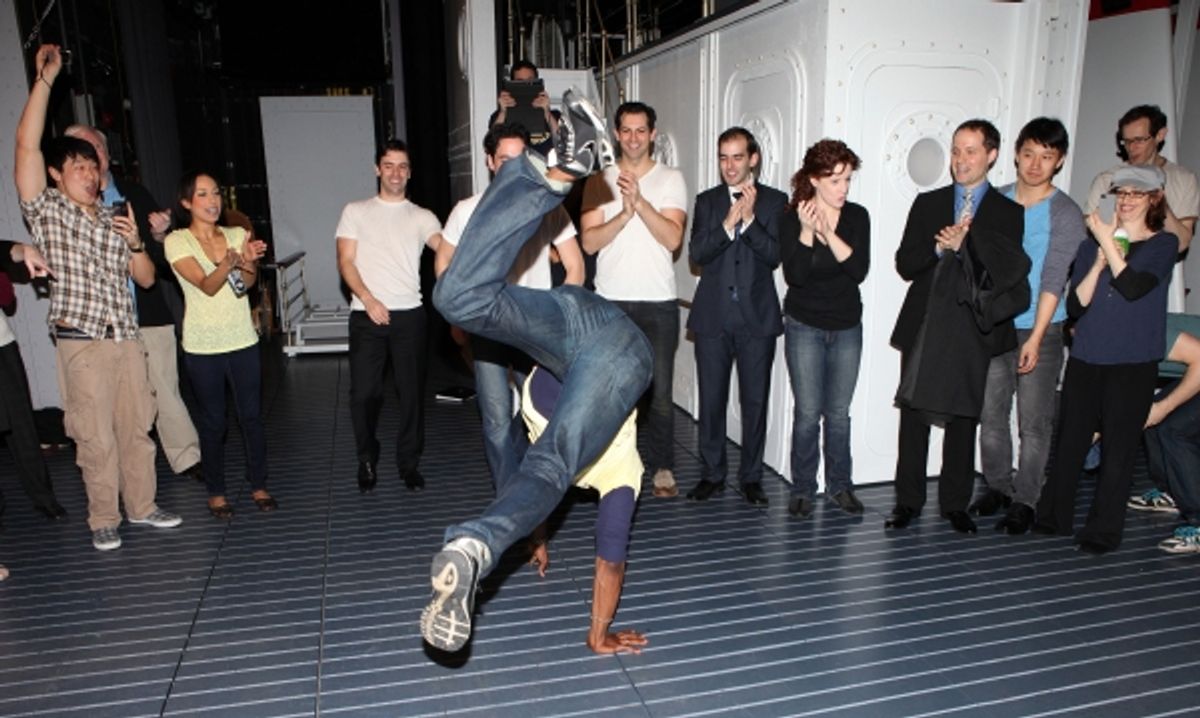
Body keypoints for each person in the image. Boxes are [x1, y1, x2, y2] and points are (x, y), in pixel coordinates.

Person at [420, 90, 651, 654]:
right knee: (453, 300)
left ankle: (475, 547)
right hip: (600, 335)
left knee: (462, 301)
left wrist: (528, 532)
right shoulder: (623, 478)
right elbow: (609, 558)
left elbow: (542, 490)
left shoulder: (603, 472)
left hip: (581, 333)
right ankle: (565, 167)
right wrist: (599, 636)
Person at [16, 44, 182, 551]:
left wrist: (135, 241)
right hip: (82, 342)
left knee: (137, 428)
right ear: (56, 175)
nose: (89, 175)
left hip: (126, 339)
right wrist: (46, 81)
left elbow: (149, 280)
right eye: (77, 168)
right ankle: (103, 517)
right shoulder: (49, 213)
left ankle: (142, 506)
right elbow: (26, 147)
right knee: (95, 436)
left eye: (93, 168)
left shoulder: (114, 221)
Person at [887, 119, 1029, 535]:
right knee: (912, 415)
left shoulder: (1008, 213)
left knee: (966, 419)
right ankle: (907, 503)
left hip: (974, 327)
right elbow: (905, 263)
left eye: (970, 151)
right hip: (925, 323)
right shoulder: (928, 203)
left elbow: (1005, 273)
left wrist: (964, 245)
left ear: (991, 154)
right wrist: (936, 247)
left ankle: (955, 504)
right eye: (956, 151)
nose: (961, 160)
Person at [1035, 166, 1177, 554]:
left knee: (1119, 449)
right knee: (1069, 443)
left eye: (1137, 193)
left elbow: (1132, 287)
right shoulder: (1090, 247)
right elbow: (1076, 305)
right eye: (1123, 193)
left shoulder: (1162, 245)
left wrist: (1108, 244)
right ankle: (1052, 516)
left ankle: (1103, 531)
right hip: (1087, 357)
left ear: (1155, 199)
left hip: (1132, 362)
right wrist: (1097, 260)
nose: (1128, 200)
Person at [435, 122, 584, 486]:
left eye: (520, 159)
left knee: (543, 415)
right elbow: (443, 264)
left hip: (532, 328)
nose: (513, 168)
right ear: (489, 161)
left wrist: (558, 315)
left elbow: (576, 266)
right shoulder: (467, 210)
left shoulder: (548, 207)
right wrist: (457, 314)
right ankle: (509, 500)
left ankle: (538, 493)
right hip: (487, 327)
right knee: (497, 420)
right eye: (504, 160)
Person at [64, 124, 204, 484]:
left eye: (89, 150)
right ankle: (120, 474)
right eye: (74, 154)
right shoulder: (63, 206)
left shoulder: (133, 194)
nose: (84, 163)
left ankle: (187, 459)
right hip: (96, 325)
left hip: (145, 314)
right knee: (109, 404)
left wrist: (159, 234)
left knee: (164, 390)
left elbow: (161, 260)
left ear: (105, 154)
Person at [973, 118, 1087, 534]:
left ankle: (1026, 500)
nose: (1036, 165)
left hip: (1043, 326)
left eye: (1047, 156)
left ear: (1059, 162)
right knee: (991, 414)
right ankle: (998, 487)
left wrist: (1038, 337)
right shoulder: (996, 200)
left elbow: (1056, 277)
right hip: (996, 325)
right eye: (1028, 154)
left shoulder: (1066, 212)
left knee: (1034, 422)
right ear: (1016, 154)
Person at [581, 101, 688, 499]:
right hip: (609, 303)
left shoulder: (671, 179)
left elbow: (673, 239)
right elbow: (589, 242)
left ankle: (662, 467)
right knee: (610, 391)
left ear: (653, 134)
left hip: (658, 302)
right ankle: (609, 464)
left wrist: (640, 203)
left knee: (658, 393)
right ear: (616, 134)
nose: (633, 138)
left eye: (641, 130)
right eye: (626, 130)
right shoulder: (597, 181)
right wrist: (623, 215)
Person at [165, 171, 276, 518]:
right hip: (202, 346)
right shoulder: (177, 241)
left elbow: (243, 285)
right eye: (202, 194)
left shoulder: (236, 233)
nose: (213, 200)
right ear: (186, 203)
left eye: (215, 193)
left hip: (242, 338)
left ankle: (259, 484)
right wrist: (230, 260)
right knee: (214, 422)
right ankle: (216, 491)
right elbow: (206, 286)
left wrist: (248, 261)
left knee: (252, 417)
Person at [685, 127, 785, 507]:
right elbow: (697, 253)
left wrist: (751, 221)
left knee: (755, 402)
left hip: (757, 319)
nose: (730, 166)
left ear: (753, 158)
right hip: (713, 317)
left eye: (737, 157)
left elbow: (776, 255)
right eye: (723, 157)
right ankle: (712, 474)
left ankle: (752, 477)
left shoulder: (776, 201)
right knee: (711, 400)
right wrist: (728, 224)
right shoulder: (707, 201)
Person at [336, 140, 443, 493]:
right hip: (367, 315)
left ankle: (408, 463)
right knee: (364, 395)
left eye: (402, 166)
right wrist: (367, 298)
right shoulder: (356, 210)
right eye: (389, 165)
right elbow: (346, 261)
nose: (395, 172)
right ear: (377, 169)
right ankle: (366, 457)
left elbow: (443, 249)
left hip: (409, 316)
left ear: (409, 172)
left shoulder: (422, 215)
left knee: (411, 395)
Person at [778, 139, 870, 518]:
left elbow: (858, 270)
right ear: (814, 179)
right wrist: (804, 229)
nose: (844, 189)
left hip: (847, 325)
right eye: (835, 181)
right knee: (807, 412)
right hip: (804, 325)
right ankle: (802, 487)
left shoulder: (856, 216)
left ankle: (840, 486)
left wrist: (827, 232)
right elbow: (795, 276)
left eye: (847, 180)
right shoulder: (790, 216)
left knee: (839, 413)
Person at [0, 240, 66, 521]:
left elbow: (6, 297)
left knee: (21, 424)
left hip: (1, 345)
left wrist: (21, 250)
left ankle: (43, 496)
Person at [1142, 314, 1200, 554]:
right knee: (1151, 413)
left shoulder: (1147, 333)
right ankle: (1172, 492)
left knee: (1174, 430)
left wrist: (1165, 408)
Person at [488, 60, 560, 157]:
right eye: (520, 82)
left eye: (530, 81)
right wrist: (503, 112)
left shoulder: (555, 116)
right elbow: (491, 144)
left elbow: (562, 144)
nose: (525, 85)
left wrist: (547, 113)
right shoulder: (500, 116)